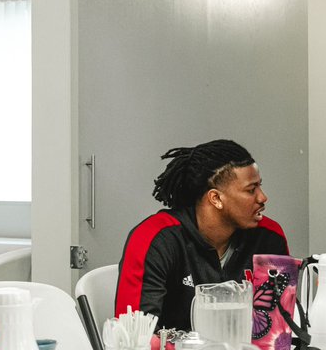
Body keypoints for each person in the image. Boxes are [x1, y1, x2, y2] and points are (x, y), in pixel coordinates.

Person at [115, 139, 287, 331]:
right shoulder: (154, 239)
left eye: (260, 186)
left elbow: (278, 330)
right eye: (251, 190)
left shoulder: (269, 236)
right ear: (216, 198)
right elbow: (134, 335)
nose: (263, 197)